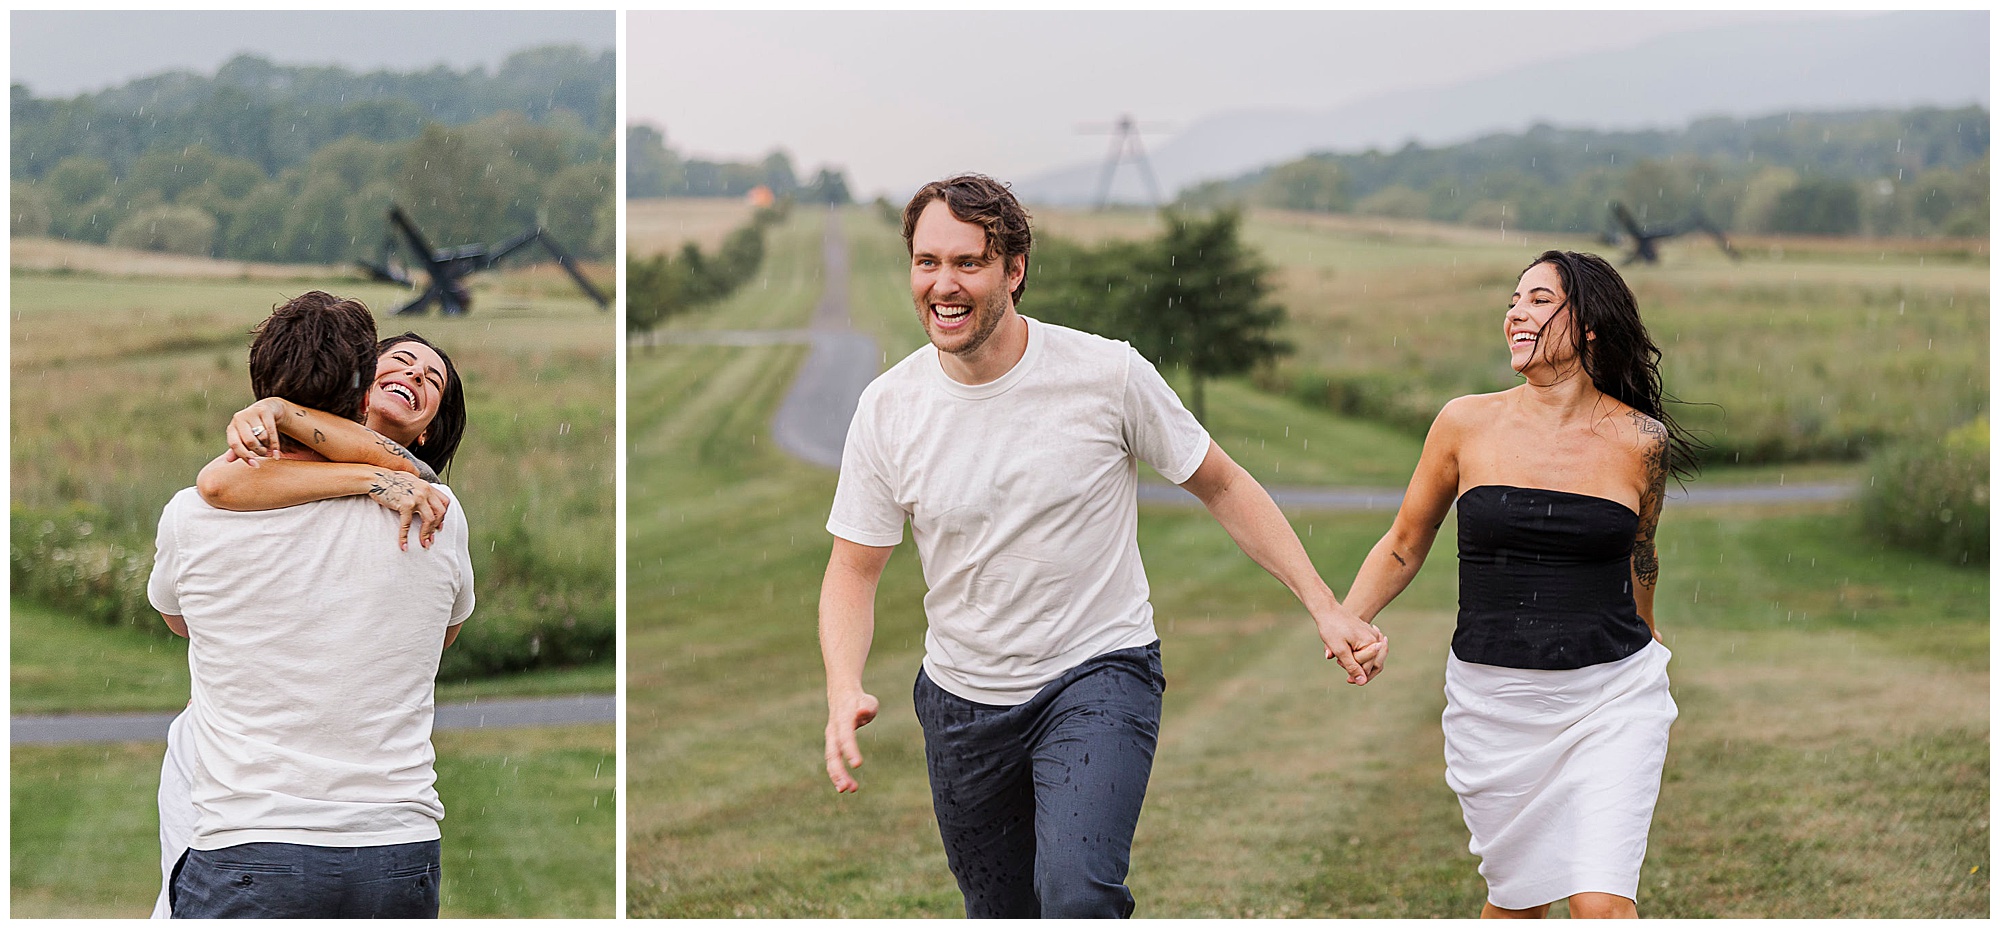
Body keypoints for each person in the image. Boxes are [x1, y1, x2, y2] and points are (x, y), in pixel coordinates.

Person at [818, 174, 1385, 918]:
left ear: (1014, 270)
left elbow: (1221, 483)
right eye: (928, 262)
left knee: (1079, 892)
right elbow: (853, 572)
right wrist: (842, 683)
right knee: (1004, 911)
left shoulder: (1105, 374)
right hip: (962, 701)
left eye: (967, 262)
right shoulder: (889, 407)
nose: (943, 284)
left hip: (1097, 671)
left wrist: (1324, 604)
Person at [1340, 250, 1696, 918]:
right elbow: (1403, 542)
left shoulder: (1641, 441)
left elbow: (1640, 554)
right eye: (1513, 300)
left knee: (1602, 906)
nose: (1515, 313)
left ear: (1587, 324)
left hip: (1613, 697)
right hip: (1493, 707)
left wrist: (1645, 654)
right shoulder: (1463, 423)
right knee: (1518, 908)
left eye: (1537, 299)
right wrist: (1347, 620)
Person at [146, 292, 474, 918]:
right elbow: (441, 638)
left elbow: (177, 618)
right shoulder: (439, 515)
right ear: (360, 398)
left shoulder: (193, 515)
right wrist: (366, 478)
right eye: (394, 364)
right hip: (396, 848)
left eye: (430, 378)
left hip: (249, 842)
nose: (409, 377)